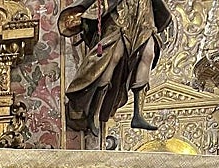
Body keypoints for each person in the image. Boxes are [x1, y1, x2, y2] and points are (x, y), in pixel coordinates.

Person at [58, 0, 172, 136]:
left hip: (144, 12)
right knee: (113, 56)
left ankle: (138, 114)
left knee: (148, 53)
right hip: (122, 11)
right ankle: (95, 111)